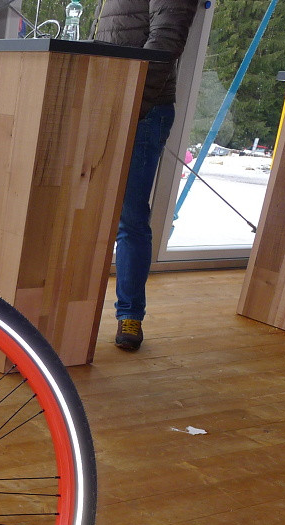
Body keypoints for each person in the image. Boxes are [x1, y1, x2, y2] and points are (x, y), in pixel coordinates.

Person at [96, 0, 198, 351]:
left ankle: (130, 314)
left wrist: (134, 104)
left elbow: (166, 42)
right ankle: (68, 313)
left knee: (130, 218)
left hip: (142, 110)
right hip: (106, 101)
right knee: (87, 214)